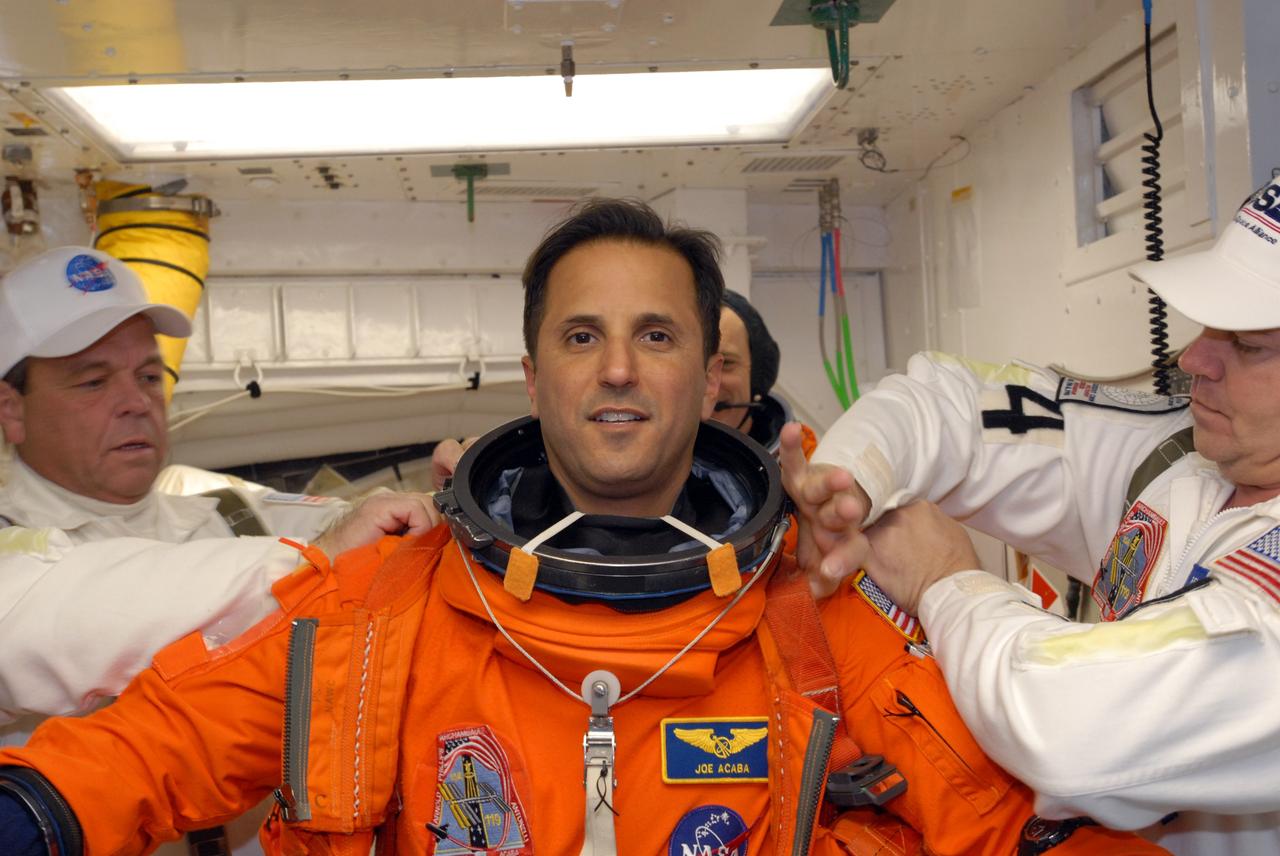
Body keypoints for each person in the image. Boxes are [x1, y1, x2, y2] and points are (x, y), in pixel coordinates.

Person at [0, 201, 1159, 856]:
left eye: (655, 336)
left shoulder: (809, 620)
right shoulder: (386, 607)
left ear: (707, 373)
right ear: (531, 372)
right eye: (580, 336)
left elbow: (999, 817)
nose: (616, 369)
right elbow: (153, 746)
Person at [781, 178, 1280, 856]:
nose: (1195, 358)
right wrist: (846, 486)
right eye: (1208, 326)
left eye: (1246, 343)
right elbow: (955, 402)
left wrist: (944, 582)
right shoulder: (1181, 458)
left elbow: (1075, 732)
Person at [0, 247, 440, 856]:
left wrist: (449, 504)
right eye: (94, 381)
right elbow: (75, 613)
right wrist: (316, 563)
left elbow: (354, 521)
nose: (136, 401)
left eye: (148, 376)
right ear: (12, 411)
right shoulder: (17, 559)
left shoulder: (220, 508)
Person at [711, 289, 816, 457]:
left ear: (757, 376)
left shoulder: (805, 460)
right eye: (693, 364)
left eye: (726, 363)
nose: (706, 384)